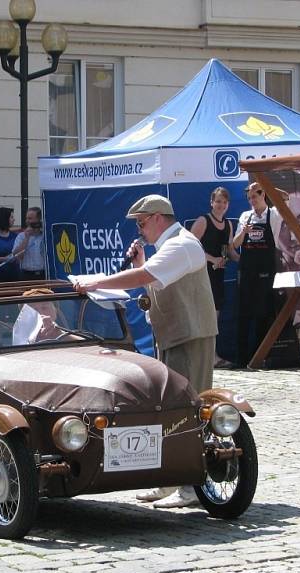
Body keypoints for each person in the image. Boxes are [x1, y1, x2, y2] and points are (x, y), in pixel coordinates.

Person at [73, 194, 217, 509]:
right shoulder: (168, 247)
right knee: (171, 409)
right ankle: (171, 479)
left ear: (156, 217)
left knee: (189, 407)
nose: (140, 230)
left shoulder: (182, 244)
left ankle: (192, 487)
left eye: (141, 223)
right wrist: (140, 264)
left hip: (190, 335)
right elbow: (152, 280)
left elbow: (145, 277)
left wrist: (97, 283)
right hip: (175, 335)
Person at [231, 181, 286, 368]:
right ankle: (241, 359)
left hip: (266, 269)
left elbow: (286, 198)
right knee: (243, 314)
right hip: (247, 270)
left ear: (263, 195)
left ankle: (258, 357)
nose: (252, 200)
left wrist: (265, 184)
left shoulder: (274, 215)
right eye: (249, 198)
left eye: (255, 196)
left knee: (263, 314)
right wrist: (244, 232)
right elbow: (236, 244)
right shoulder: (245, 216)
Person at [190, 187, 239, 368]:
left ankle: (212, 356)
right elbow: (190, 248)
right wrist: (212, 259)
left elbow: (230, 250)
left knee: (214, 318)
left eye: (224, 202)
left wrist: (244, 261)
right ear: (212, 202)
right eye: (218, 201)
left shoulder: (228, 225)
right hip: (202, 276)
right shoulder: (203, 221)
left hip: (218, 277)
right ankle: (207, 358)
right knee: (203, 317)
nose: (221, 205)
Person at [12, 206, 46, 280]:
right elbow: (17, 256)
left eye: (30, 218)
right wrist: (26, 238)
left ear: (38, 220)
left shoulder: (45, 236)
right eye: (26, 218)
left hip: (43, 275)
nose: (27, 221)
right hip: (26, 275)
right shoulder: (21, 236)